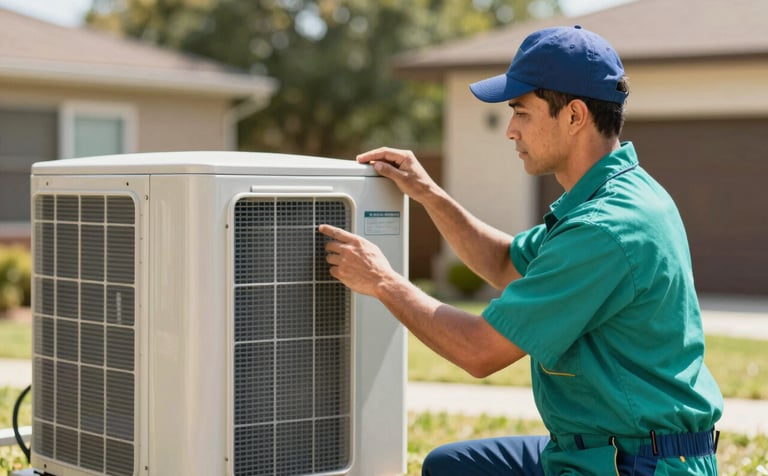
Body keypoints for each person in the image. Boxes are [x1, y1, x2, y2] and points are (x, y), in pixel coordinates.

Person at [318, 25, 723, 475]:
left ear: (573, 116)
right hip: (599, 448)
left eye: (522, 112)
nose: (510, 130)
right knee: (453, 467)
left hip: (636, 464)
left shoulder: (606, 228)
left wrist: (383, 281)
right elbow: (503, 262)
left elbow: (479, 352)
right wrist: (428, 193)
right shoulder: (611, 197)